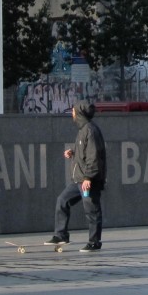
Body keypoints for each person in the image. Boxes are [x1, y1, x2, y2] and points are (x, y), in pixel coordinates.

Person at [47, 100, 106, 251]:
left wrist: (88, 178)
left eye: (73, 111)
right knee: (62, 200)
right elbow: (83, 150)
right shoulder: (83, 130)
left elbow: (94, 156)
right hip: (79, 179)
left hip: (88, 180)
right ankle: (61, 235)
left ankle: (94, 242)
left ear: (79, 113)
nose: (72, 114)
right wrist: (72, 152)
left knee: (92, 210)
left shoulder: (90, 130)